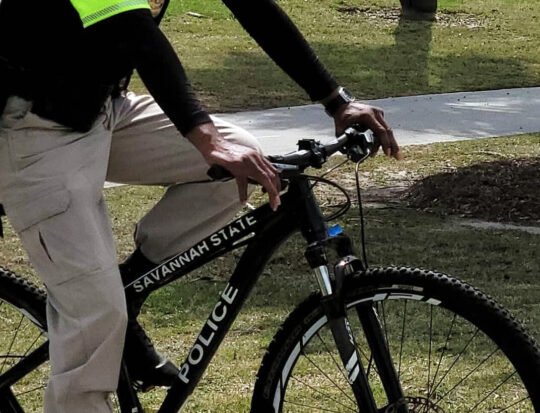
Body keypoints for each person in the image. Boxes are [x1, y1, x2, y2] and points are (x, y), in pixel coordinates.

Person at [0, 0, 400, 411]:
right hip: (37, 132)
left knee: (245, 160)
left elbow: (254, 7)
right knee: (94, 319)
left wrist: (336, 100)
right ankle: (106, 313)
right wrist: (208, 140)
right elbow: (137, 32)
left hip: (103, 110)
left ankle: (132, 283)